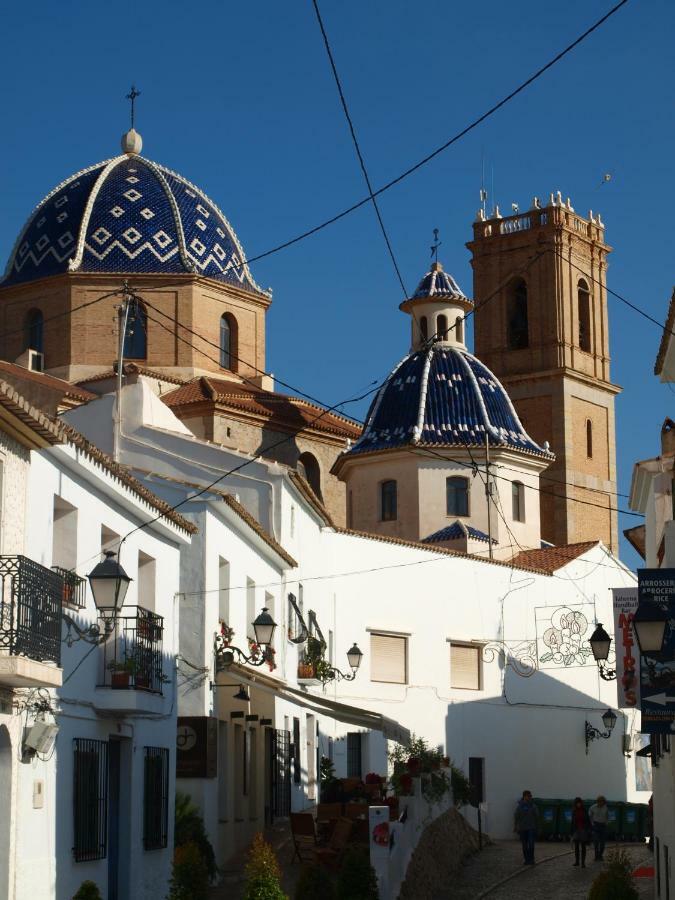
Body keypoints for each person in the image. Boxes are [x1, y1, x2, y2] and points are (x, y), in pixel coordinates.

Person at [514, 790, 539, 865]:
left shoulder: (533, 806)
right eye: (528, 796)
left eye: (530, 796)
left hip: (531, 828)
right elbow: (516, 816)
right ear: (524, 796)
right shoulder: (520, 806)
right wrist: (515, 826)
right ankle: (526, 859)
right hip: (522, 828)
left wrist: (538, 827)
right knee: (524, 845)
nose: (529, 797)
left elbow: (537, 816)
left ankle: (531, 859)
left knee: (531, 844)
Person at [570, 797, 591, 868]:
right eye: (577, 803)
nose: (578, 804)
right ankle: (577, 861)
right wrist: (571, 832)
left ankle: (583, 862)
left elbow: (588, 820)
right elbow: (572, 822)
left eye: (579, 803)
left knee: (583, 846)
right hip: (576, 830)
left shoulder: (584, 811)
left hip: (583, 830)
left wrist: (588, 830)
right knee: (576, 847)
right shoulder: (574, 811)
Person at [588, 795, 609, 861]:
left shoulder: (605, 808)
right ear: (598, 802)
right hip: (596, 825)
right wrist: (592, 824)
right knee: (596, 842)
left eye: (603, 802)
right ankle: (596, 856)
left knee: (602, 843)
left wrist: (606, 823)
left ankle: (600, 855)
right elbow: (589, 816)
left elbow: (607, 816)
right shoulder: (593, 807)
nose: (601, 803)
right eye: (600, 802)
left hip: (603, 826)